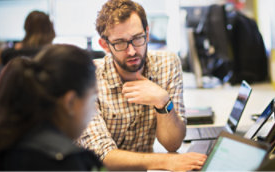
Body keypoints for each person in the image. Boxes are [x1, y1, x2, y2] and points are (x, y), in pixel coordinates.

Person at [77, 0, 207, 171]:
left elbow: (172, 144)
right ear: (105, 45)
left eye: (137, 38)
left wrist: (162, 101)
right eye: (120, 43)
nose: (131, 51)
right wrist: (167, 161)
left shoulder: (167, 64)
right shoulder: (88, 78)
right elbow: (102, 155)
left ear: (147, 33)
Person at [0, 44, 104, 171]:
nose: (93, 111)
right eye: (93, 99)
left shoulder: (10, 142)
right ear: (70, 103)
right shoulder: (68, 162)